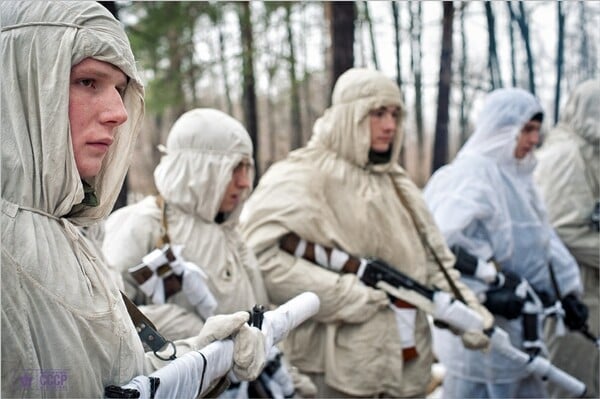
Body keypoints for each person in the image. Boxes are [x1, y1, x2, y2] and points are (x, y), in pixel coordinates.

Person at [1, 2, 265, 396]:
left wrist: (204, 352)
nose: (118, 112)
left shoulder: (68, 235)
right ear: (20, 83)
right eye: (88, 81)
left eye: (121, 90)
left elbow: (115, 375)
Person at [238, 67, 493, 398]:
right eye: (378, 113)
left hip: (405, 365)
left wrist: (468, 312)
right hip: (333, 371)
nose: (390, 125)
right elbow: (258, 257)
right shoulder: (302, 174)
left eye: (395, 114)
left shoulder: (397, 184)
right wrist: (346, 294)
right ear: (350, 116)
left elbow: (434, 261)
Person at [102, 108, 314, 398]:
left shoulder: (231, 236)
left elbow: (258, 320)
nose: (244, 182)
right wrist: (184, 326)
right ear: (200, 169)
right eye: (233, 168)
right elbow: (108, 322)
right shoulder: (141, 225)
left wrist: (288, 376)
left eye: (246, 169)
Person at [422, 87, 586, 398]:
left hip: (521, 330)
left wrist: (567, 291)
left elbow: (543, 239)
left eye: (536, 130)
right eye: (527, 129)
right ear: (501, 128)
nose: (534, 140)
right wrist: (485, 296)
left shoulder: (518, 179)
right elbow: (439, 251)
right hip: (477, 336)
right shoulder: (469, 177)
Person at [534, 79, 600, 398]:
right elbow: (563, 229)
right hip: (573, 296)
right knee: (571, 384)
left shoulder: (588, 152)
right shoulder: (567, 156)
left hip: (588, 294)